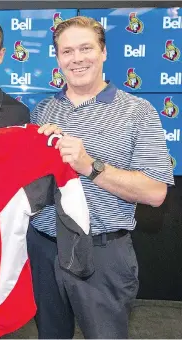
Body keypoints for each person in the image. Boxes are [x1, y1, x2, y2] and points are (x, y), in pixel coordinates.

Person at [27, 16, 174, 339]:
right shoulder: (42, 112)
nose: (77, 59)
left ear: (104, 52)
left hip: (103, 253)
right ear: (57, 59)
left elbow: (155, 192)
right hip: (44, 248)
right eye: (67, 51)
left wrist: (89, 165)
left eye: (85, 48)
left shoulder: (138, 112)